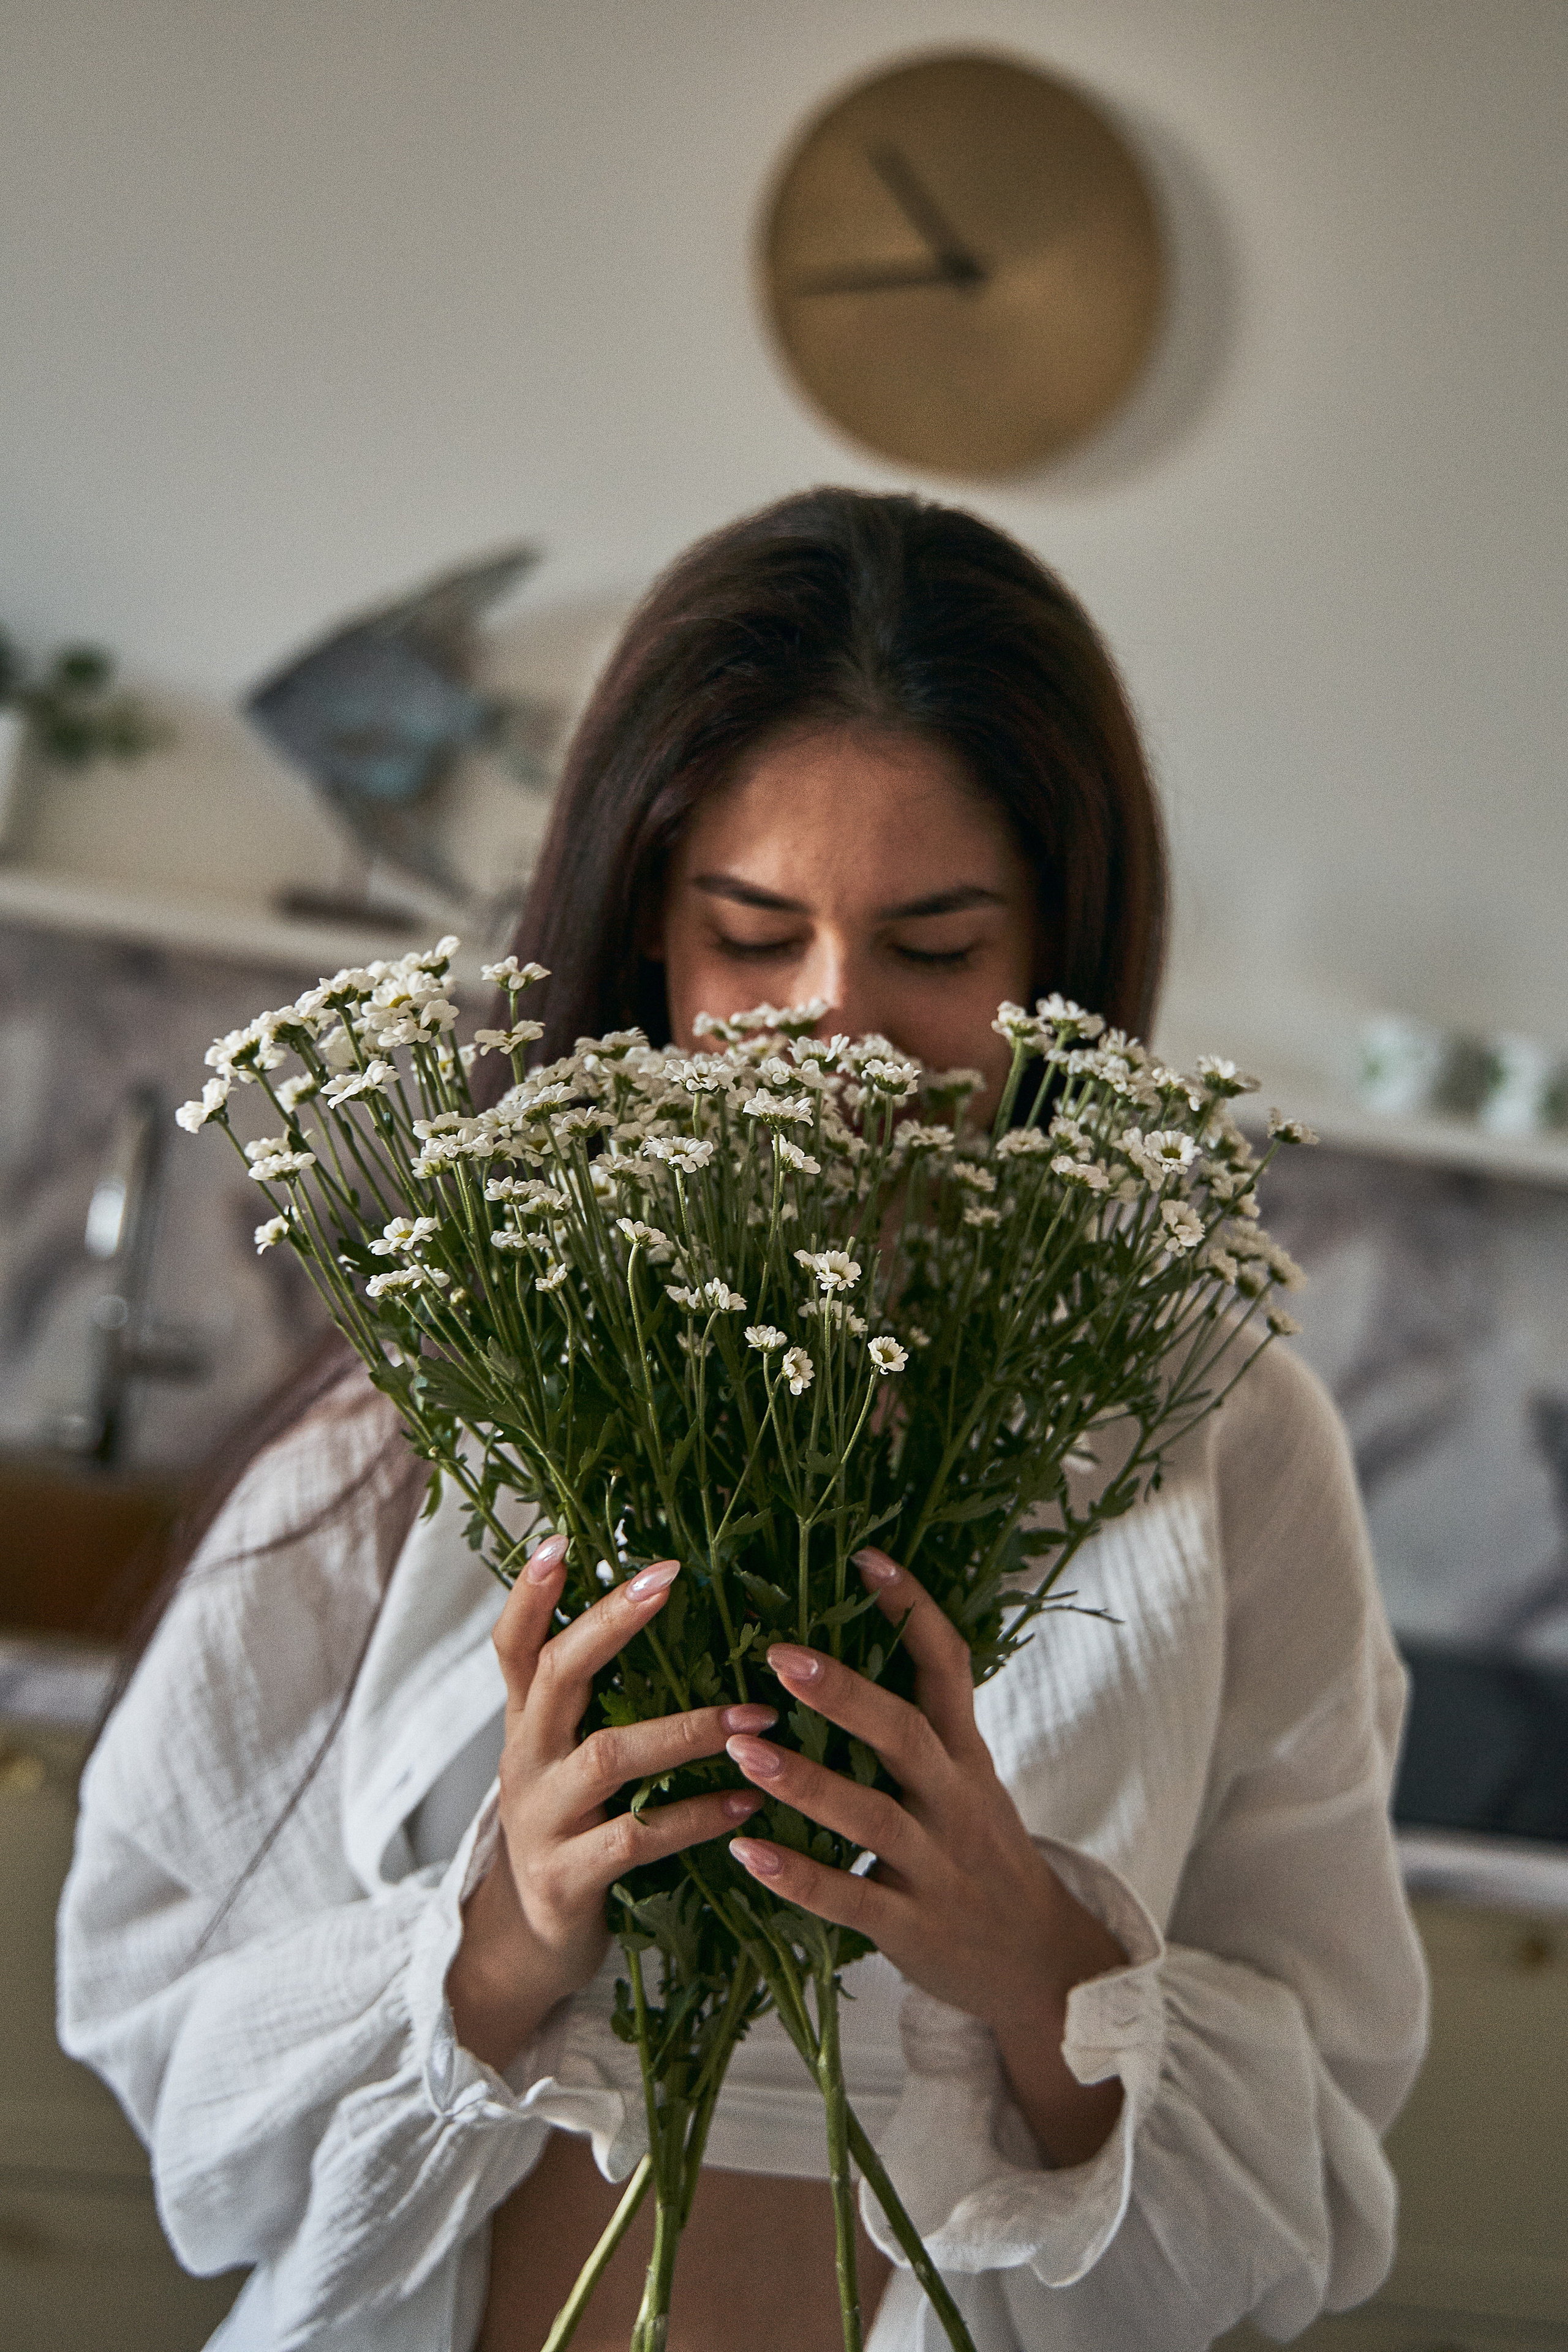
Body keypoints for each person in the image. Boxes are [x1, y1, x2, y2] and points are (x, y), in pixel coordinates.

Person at [58, 489, 1428, 2352]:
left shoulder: (1216, 1443)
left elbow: (1297, 2217)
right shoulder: (446, 1401)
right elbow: (179, 2088)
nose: (836, 1024)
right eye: (751, 934)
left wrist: (1042, 1968)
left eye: (935, 948)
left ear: (1062, 968)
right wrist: (499, 1940)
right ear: (639, 942)